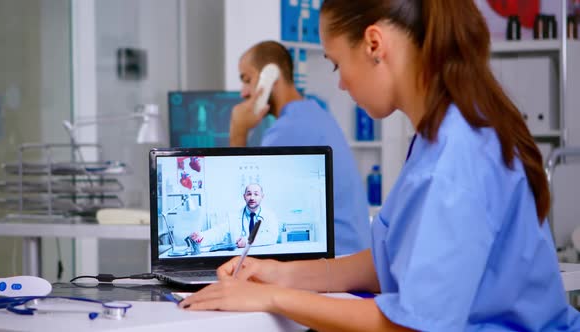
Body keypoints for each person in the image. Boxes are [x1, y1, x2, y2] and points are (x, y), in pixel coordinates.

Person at [178, 0, 580, 330]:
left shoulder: (457, 157)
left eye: (337, 64)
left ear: (374, 44)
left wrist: (271, 296)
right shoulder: (442, 132)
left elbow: (412, 326)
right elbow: (393, 261)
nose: (340, 83)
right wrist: (283, 274)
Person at [230, 40, 371, 256]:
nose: (243, 92)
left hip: (337, 263)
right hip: (352, 254)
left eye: (247, 80)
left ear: (270, 77)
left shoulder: (289, 129)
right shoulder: (314, 113)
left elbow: (245, 193)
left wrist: (238, 131)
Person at [190, 183, 279, 248]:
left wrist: (248, 241)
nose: (252, 198)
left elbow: (272, 237)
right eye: (249, 194)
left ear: (262, 196)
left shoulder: (269, 216)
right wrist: (200, 236)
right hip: (240, 260)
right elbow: (218, 233)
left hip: (262, 259)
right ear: (244, 197)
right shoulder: (234, 217)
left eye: (256, 194)